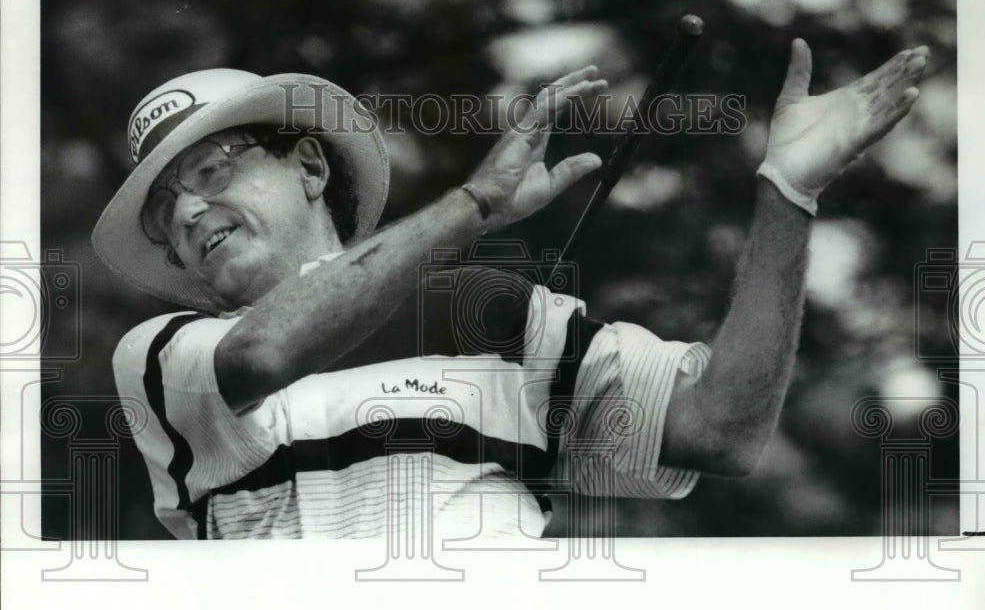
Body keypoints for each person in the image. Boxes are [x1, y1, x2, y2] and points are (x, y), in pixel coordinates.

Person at [94, 41, 929, 540]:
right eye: (167, 211)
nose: (192, 209)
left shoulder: (494, 313)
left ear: (310, 167)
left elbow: (721, 430)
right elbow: (272, 346)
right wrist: (475, 204)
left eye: (212, 170)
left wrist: (788, 190)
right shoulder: (163, 358)